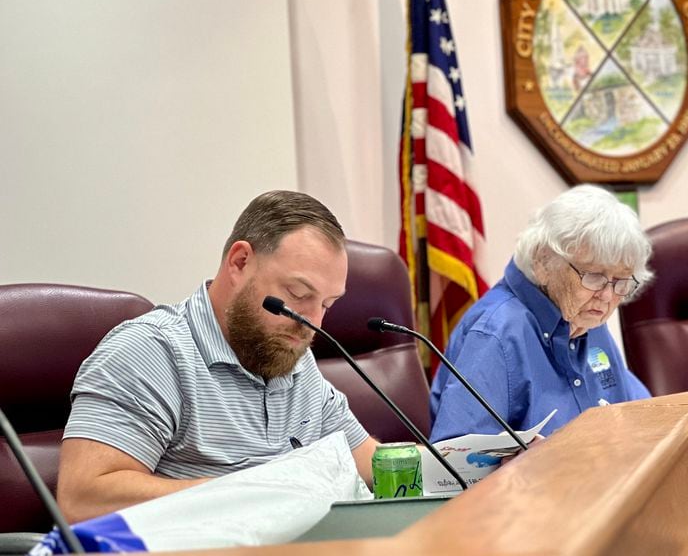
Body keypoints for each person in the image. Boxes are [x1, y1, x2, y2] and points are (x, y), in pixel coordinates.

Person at [57, 190, 378, 523]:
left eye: (326, 305)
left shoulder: (288, 349)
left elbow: (371, 462)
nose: (312, 321)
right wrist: (254, 494)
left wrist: (434, 461)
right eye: (297, 294)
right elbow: (83, 499)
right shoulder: (150, 352)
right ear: (239, 262)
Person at [429, 185, 653, 442]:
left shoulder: (585, 316)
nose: (607, 296)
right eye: (594, 276)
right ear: (544, 261)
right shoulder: (495, 334)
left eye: (621, 281)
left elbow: (641, 412)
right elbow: (457, 461)